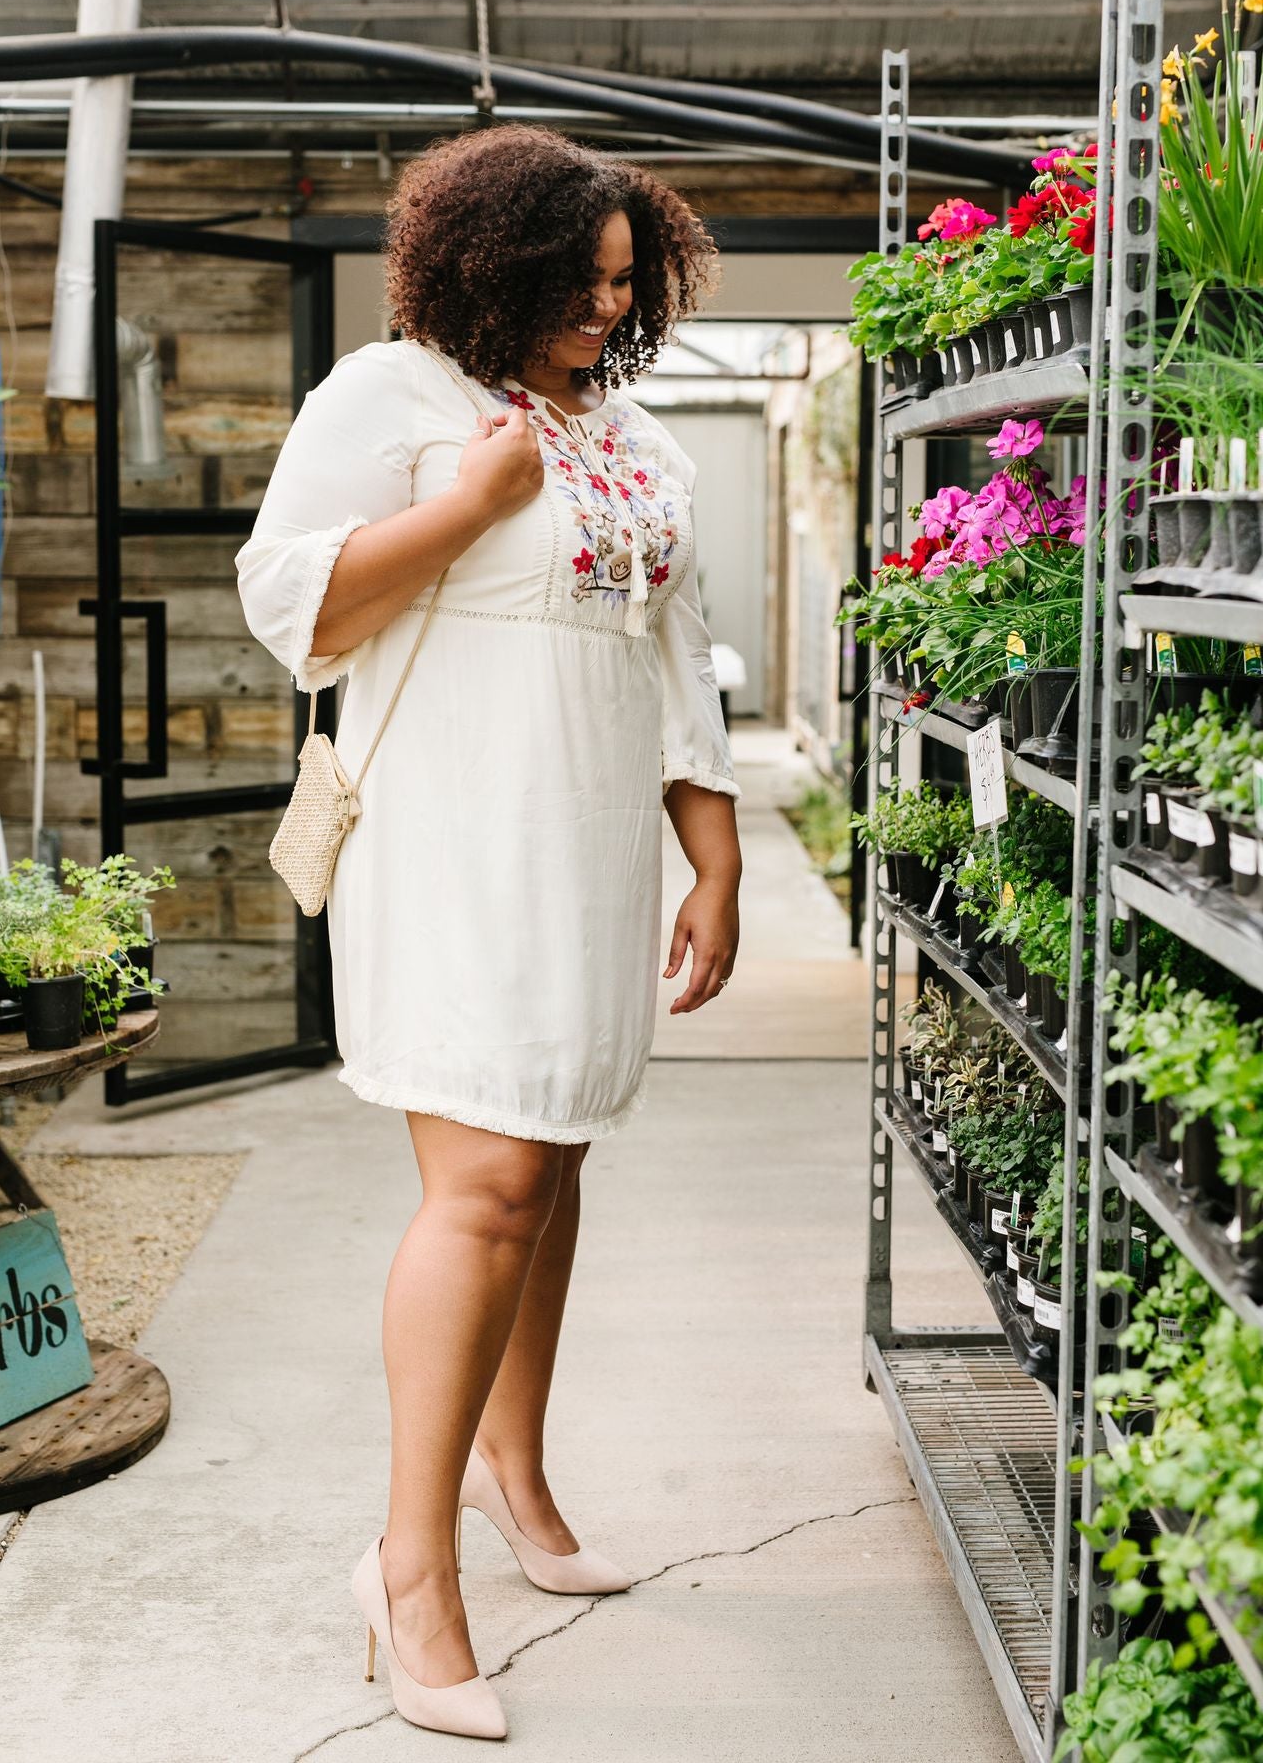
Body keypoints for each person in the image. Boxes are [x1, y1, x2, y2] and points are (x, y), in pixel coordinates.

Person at [235, 124, 742, 1741]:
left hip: (586, 842)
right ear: (490, 263)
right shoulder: (388, 402)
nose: (604, 311)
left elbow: (679, 656)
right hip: (456, 840)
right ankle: (410, 1564)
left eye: (624, 283)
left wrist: (711, 859)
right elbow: (295, 607)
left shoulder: (635, 436)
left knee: (557, 1153)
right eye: (577, 282)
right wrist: (468, 504)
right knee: (494, 1177)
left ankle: (517, 1478)